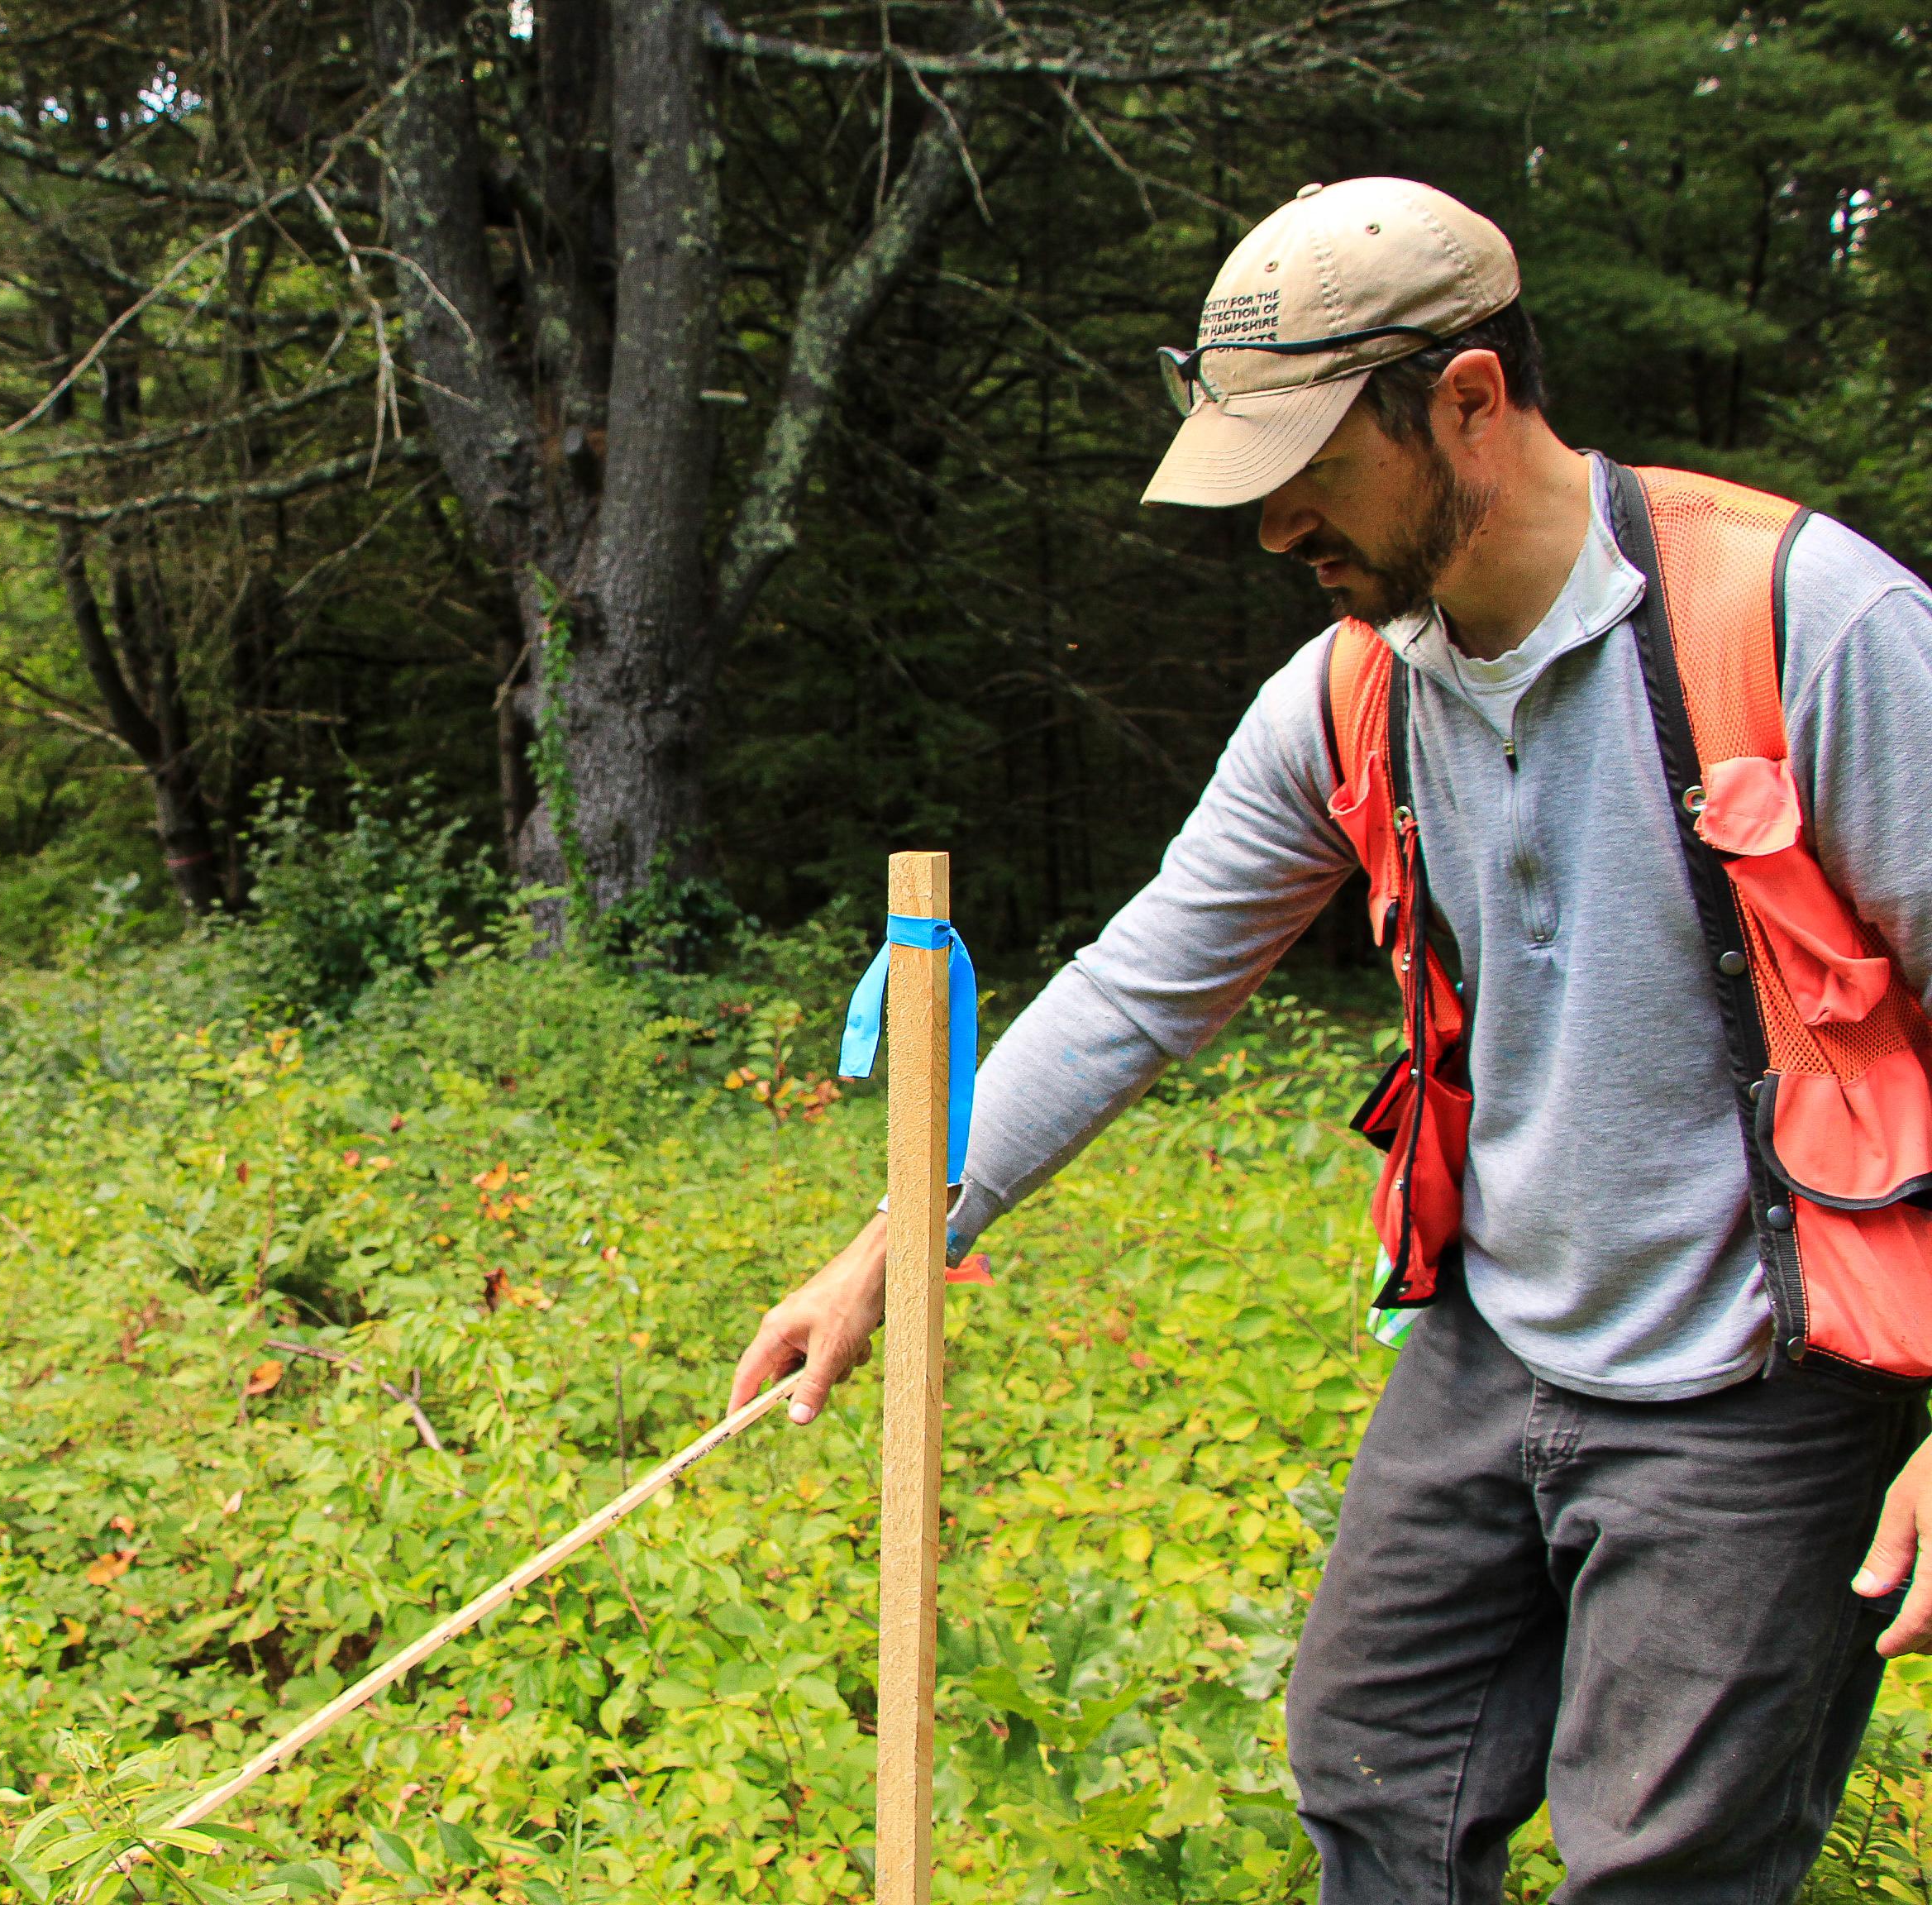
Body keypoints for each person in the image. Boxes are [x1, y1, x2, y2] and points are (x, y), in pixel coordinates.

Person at [728, 176, 1932, 1903]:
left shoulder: (1808, 630)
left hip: (1763, 1377)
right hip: (1497, 1342)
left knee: (1660, 1864)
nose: (1279, 527)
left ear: (1468, 402)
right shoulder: (1352, 688)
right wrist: (899, 1238)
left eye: (1312, 471)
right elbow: (1146, 982)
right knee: (1371, 1775)